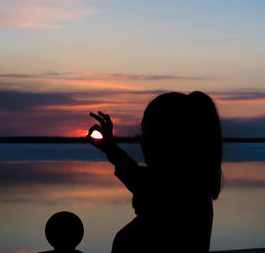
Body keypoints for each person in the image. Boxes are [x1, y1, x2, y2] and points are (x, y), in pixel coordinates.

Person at [86, 91, 222, 252]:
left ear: (171, 136)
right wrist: (111, 148)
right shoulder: (190, 190)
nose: (141, 139)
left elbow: (145, 183)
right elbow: (141, 179)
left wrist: (111, 149)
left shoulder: (178, 197)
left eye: (146, 130)